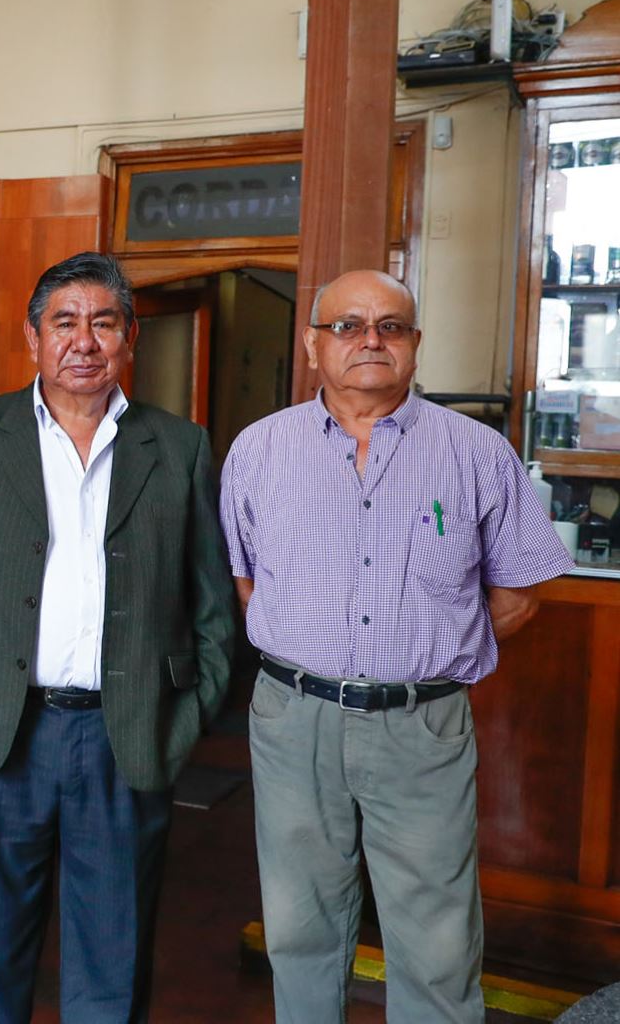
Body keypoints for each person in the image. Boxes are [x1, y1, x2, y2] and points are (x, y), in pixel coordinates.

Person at [220, 269, 572, 1023]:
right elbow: (251, 584)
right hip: (292, 720)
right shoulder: (258, 451)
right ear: (314, 345)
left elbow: (517, 595)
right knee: (299, 928)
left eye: (391, 326)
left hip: (422, 727)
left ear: (414, 345)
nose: (369, 339)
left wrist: (426, 647)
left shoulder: (475, 453)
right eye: (347, 325)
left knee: (437, 944)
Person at [0, 251, 235, 1023]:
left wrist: (183, 718)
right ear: (32, 336)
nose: (84, 340)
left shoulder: (182, 447)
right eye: (64, 322)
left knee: (113, 953)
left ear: (129, 338)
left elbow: (212, 606)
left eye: (103, 322)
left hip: (125, 732)